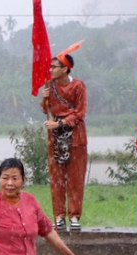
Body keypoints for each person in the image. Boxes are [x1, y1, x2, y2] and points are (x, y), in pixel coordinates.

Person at [41, 43, 88, 231]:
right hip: (56, 137)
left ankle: (74, 216)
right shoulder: (49, 86)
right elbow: (46, 109)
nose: (51, 70)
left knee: (75, 178)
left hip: (75, 136)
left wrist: (60, 123)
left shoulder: (78, 86)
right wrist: (45, 98)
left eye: (54, 67)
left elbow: (80, 112)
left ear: (65, 68)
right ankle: (59, 216)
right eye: (51, 67)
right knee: (57, 178)